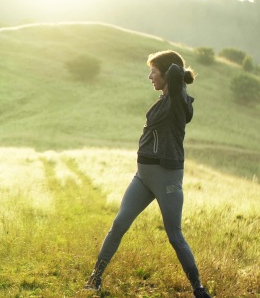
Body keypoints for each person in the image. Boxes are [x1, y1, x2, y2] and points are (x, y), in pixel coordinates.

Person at [83, 50, 211, 298]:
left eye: (153, 71)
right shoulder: (166, 98)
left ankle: (198, 288)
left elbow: (175, 71)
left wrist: (177, 70)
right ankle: (94, 279)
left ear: (167, 74)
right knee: (119, 224)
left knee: (174, 235)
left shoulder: (177, 100)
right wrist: (167, 70)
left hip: (166, 178)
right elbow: (171, 72)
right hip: (143, 176)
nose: (149, 76)